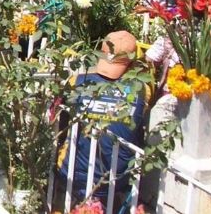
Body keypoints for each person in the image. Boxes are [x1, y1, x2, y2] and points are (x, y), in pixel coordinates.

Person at [57, 31, 148, 203]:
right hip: (117, 180)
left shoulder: (76, 81)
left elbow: (62, 127)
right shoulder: (142, 89)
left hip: (72, 173)